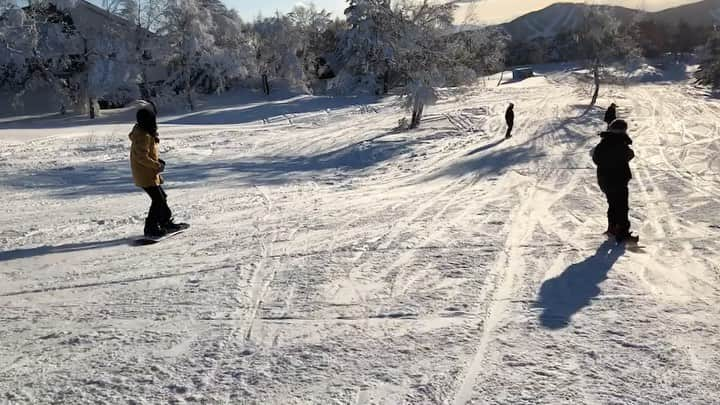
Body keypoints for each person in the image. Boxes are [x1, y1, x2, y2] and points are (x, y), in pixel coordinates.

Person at [129, 107, 186, 238]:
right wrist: (157, 165)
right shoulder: (143, 135)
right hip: (145, 174)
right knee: (158, 200)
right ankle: (151, 227)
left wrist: (157, 161)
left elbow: (146, 154)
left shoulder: (145, 133)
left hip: (148, 173)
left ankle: (164, 222)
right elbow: (141, 157)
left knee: (161, 198)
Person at [592, 119, 638, 244]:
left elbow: (596, 158)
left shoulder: (604, 142)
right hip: (618, 179)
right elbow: (628, 155)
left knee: (613, 204)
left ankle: (612, 227)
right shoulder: (620, 143)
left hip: (605, 180)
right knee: (621, 206)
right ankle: (622, 232)